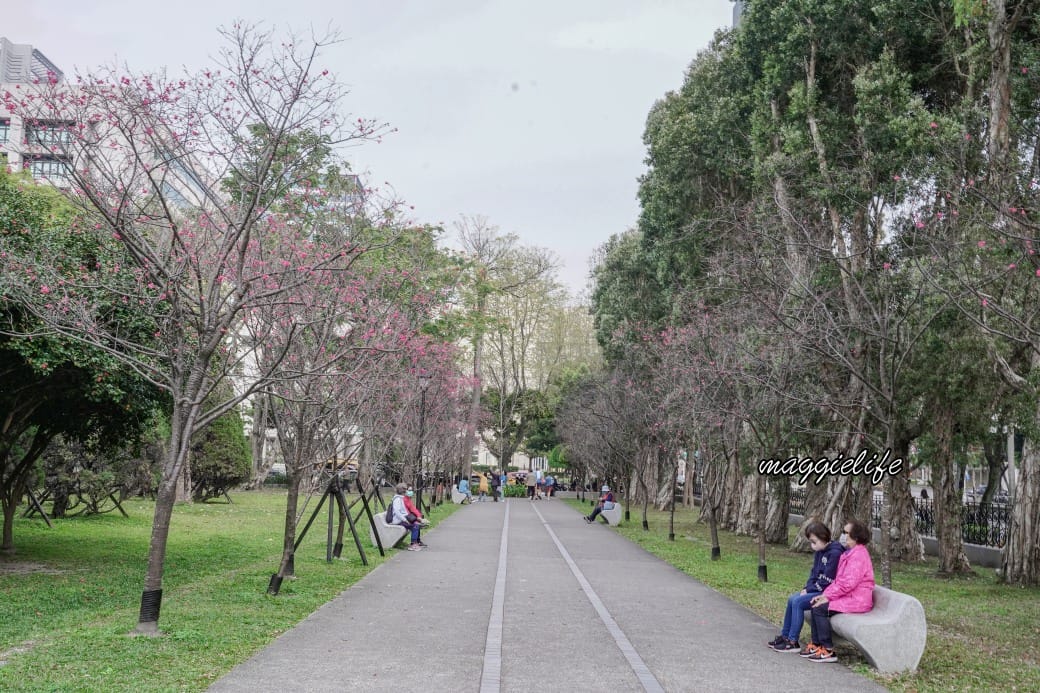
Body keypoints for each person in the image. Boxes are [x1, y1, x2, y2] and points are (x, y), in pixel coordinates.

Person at [802, 520, 876, 663]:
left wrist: (827, 597)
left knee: (819, 608)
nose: (843, 535)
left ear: (856, 536)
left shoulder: (858, 556)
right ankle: (817, 645)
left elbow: (847, 583)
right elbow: (839, 581)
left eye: (846, 532)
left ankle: (828, 649)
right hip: (848, 596)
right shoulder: (850, 553)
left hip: (857, 600)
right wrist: (824, 595)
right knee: (816, 603)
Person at [767, 521, 844, 652]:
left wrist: (811, 590)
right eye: (811, 542)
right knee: (792, 599)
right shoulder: (820, 551)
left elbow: (827, 580)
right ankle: (785, 636)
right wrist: (806, 588)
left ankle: (793, 641)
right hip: (816, 589)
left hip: (827, 592)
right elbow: (814, 573)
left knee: (798, 602)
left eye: (814, 542)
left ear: (823, 537)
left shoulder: (835, 553)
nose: (812, 545)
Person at [390, 483, 425, 551]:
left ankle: (416, 542)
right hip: (398, 521)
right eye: (406, 490)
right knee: (415, 526)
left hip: (401, 519)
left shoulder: (400, 498)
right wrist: (405, 520)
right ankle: (413, 544)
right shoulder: (397, 499)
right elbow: (397, 512)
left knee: (416, 524)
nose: (407, 491)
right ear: (403, 491)